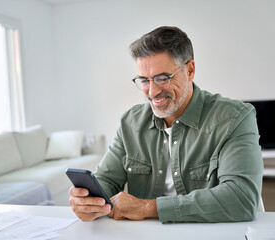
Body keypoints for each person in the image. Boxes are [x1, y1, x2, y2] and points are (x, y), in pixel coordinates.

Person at [69, 26, 263, 223]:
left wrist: (148, 207)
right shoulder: (130, 122)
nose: (152, 91)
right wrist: (87, 200)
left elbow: (241, 198)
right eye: (144, 80)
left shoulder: (234, 117)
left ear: (190, 70)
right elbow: (106, 181)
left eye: (162, 78)